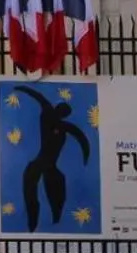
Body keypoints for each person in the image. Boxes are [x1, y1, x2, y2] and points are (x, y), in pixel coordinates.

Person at [15, 84, 91, 231]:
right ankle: (33, 223)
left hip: (50, 166)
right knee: (32, 189)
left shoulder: (63, 125)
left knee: (55, 191)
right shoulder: (49, 115)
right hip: (41, 162)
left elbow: (82, 139)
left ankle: (53, 219)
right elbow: (39, 96)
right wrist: (20, 88)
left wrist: (86, 156)